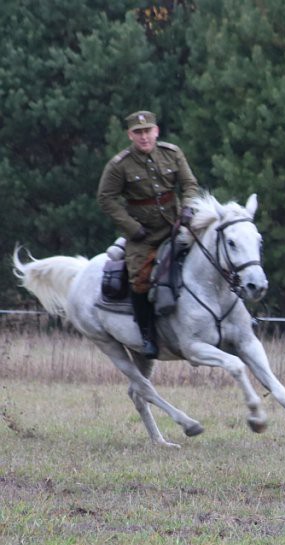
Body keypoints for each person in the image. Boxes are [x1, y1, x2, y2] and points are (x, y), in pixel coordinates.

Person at [97, 110, 199, 359]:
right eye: (138, 133)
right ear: (130, 135)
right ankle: (147, 335)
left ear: (156, 131)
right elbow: (106, 198)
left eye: (148, 131)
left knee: (216, 256)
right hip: (144, 235)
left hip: (177, 226)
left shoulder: (172, 153)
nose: (144, 137)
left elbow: (189, 185)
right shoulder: (119, 165)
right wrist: (132, 228)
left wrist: (188, 209)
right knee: (139, 280)